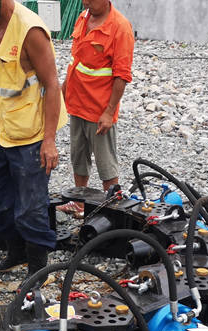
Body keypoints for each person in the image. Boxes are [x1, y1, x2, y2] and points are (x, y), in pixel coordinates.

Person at [0, 0, 67, 281]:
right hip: (0, 131)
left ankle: (38, 268)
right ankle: (16, 250)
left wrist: (50, 141)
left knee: (31, 207)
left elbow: (52, 84)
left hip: (31, 133)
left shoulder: (30, 30)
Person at [58, 0, 134, 218]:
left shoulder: (120, 27)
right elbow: (75, 62)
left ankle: (110, 211)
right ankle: (80, 204)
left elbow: (122, 75)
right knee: (78, 158)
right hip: (77, 105)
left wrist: (109, 112)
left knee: (106, 165)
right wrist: (63, 94)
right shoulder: (83, 18)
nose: (85, 2)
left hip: (99, 110)